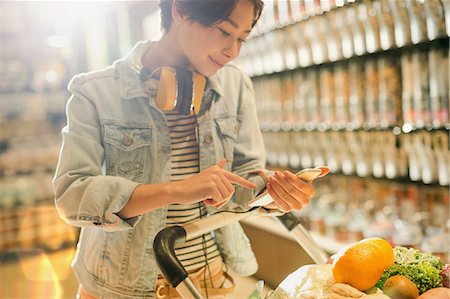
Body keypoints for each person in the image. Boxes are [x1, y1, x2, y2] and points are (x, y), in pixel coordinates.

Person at [53, 0, 325, 298]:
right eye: (224, 31)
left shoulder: (235, 85)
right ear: (180, 11)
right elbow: (72, 194)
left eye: (242, 39)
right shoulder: (95, 92)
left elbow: (243, 178)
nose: (232, 51)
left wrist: (273, 193)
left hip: (207, 282)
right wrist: (175, 190)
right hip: (118, 286)